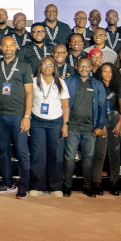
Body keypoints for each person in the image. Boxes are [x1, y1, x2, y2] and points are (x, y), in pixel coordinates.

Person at [0, 36, 33, 196]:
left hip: (18, 116)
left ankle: (24, 184)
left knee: (22, 151)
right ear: (1, 48)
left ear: (16, 47)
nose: (8, 48)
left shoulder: (24, 66)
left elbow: (29, 93)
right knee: (3, 151)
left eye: (11, 45)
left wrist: (27, 116)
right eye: (5, 45)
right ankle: (8, 183)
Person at [63, 57, 107, 197]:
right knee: (69, 157)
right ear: (76, 66)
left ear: (91, 67)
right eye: (81, 66)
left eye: (86, 66)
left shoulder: (97, 84)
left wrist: (100, 125)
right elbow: (62, 104)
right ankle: (67, 186)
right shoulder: (68, 82)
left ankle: (87, 186)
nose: (84, 69)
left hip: (90, 129)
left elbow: (102, 106)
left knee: (88, 158)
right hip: (72, 127)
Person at [29, 57, 70, 197]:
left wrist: (65, 124)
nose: (47, 67)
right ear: (40, 66)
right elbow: (29, 100)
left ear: (54, 68)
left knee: (56, 155)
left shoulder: (60, 82)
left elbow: (65, 106)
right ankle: (37, 185)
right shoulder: (33, 81)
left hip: (56, 122)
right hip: (37, 122)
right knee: (37, 154)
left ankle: (56, 186)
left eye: (50, 65)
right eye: (44, 64)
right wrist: (27, 119)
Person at [91, 63, 121, 196]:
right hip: (101, 120)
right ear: (100, 73)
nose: (107, 74)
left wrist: (120, 123)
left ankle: (114, 184)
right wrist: (100, 124)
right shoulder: (96, 86)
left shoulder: (118, 86)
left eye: (110, 71)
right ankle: (97, 183)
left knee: (114, 154)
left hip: (115, 120)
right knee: (99, 153)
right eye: (104, 71)